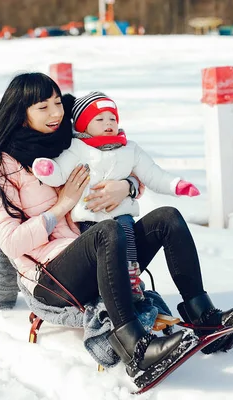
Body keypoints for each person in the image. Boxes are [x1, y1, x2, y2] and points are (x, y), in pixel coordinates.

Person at [0, 72, 233, 386]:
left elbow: (120, 162)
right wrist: (61, 207)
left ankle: (203, 317)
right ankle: (135, 349)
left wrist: (126, 187)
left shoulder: (64, 142)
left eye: (57, 103)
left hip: (97, 255)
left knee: (167, 217)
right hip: (52, 279)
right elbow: (10, 244)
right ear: (20, 114)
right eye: (43, 108)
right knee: (108, 231)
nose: (56, 114)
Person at [31, 91, 200, 302]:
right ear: (83, 126)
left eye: (112, 118)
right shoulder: (77, 149)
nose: (108, 123)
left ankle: (130, 280)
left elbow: (152, 174)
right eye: (99, 119)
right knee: (102, 247)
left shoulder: (129, 149)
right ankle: (109, 286)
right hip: (90, 219)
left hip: (121, 213)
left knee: (126, 237)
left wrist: (177, 185)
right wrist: (47, 169)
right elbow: (61, 173)